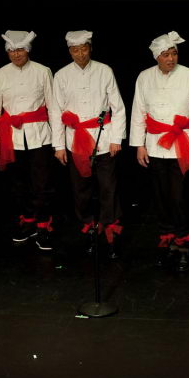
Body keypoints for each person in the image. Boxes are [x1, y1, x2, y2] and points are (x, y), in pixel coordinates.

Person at [130, 31, 189, 271]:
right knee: (161, 196)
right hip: (155, 145)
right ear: (156, 57)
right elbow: (138, 110)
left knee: (180, 197)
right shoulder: (144, 77)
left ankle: (182, 244)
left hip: (181, 145)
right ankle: (166, 240)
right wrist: (139, 144)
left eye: (174, 53)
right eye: (165, 54)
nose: (171, 58)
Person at [50, 30, 127, 258]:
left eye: (84, 49)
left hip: (103, 138)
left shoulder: (104, 71)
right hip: (76, 140)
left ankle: (111, 232)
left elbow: (118, 107)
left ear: (90, 48)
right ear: (70, 51)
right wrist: (58, 146)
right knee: (81, 190)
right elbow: (56, 111)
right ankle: (90, 230)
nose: (80, 54)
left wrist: (116, 139)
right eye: (75, 50)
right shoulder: (61, 75)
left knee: (108, 187)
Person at [0, 30, 56, 251]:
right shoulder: (0, 74)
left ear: (28, 50)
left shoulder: (43, 71)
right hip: (11, 137)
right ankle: (27, 222)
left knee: (41, 183)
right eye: (12, 50)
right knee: (18, 183)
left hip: (39, 135)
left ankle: (43, 226)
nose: (16, 54)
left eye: (20, 49)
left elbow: (53, 106)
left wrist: (58, 140)